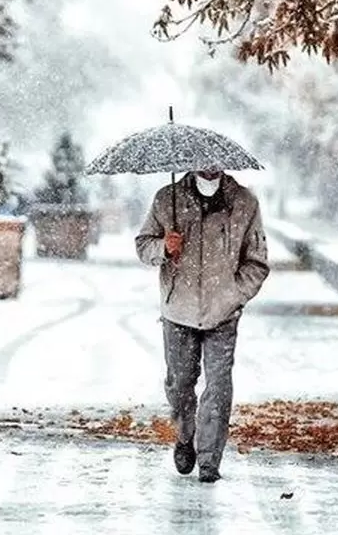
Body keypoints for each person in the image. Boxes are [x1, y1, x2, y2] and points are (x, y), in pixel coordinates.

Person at [136, 169, 270, 483]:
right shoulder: (167, 199)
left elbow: (257, 261)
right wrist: (163, 248)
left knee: (219, 386)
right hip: (178, 310)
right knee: (180, 384)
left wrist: (235, 294)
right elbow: (143, 245)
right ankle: (185, 437)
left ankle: (210, 459)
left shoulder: (244, 203)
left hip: (223, 314)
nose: (208, 166)